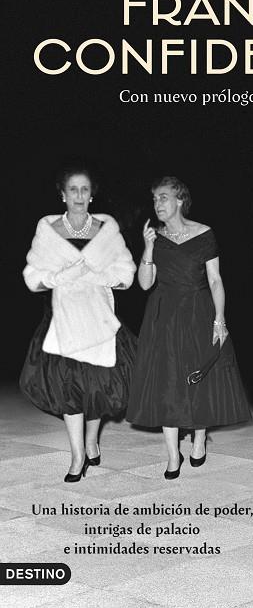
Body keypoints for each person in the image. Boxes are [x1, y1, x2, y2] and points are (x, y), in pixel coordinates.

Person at [126, 176, 250, 479]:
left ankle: (198, 438)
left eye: (163, 197)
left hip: (198, 311)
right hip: (163, 316)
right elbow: (145, 284)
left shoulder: (204, 233)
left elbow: (215, 280)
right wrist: (147, 247)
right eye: (155, 199)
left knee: (198, 379)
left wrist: (219, 319)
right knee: (166, 382)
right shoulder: (156, 237)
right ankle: (172, 455)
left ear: (180, 200)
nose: (157, 204)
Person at [20, 165, 137, 482]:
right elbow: (33, 277)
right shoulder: (49, 230)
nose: (79, 195)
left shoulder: (105, 230)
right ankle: (76, 456)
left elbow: (125, 275)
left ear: (92, 194)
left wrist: (95, 275)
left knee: (96, 388)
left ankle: (91, 441)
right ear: (62, 194)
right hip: (63, 319)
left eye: (85, 189)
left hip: (98, 317)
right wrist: (63, 276)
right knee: (69, 388)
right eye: (73, 189)